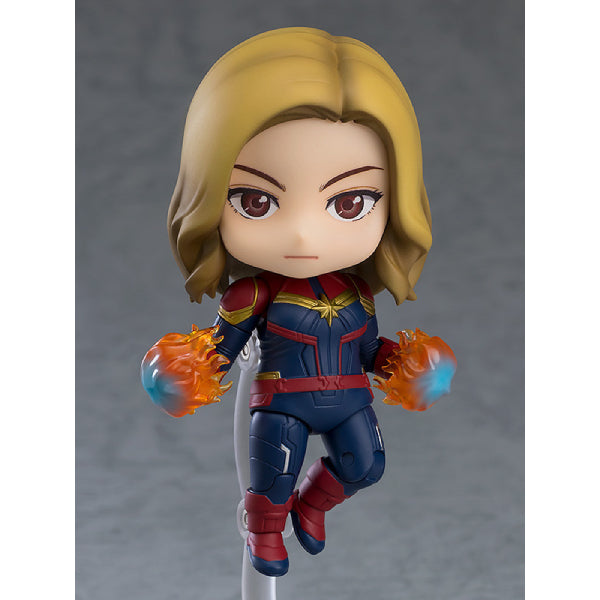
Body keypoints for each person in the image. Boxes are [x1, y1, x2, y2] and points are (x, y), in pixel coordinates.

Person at [142, 27, 456, 578]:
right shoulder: (253, 293)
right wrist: (184, 370)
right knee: (269, 489)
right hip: (282, 402)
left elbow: (366, 349)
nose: (304, 235)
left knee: (365, 466)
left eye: (350, 202)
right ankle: (265, 531)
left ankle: (312, 505)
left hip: (347, 396)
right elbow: (219, 350)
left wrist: (405, 365)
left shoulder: (357, 293)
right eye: (256, 200)